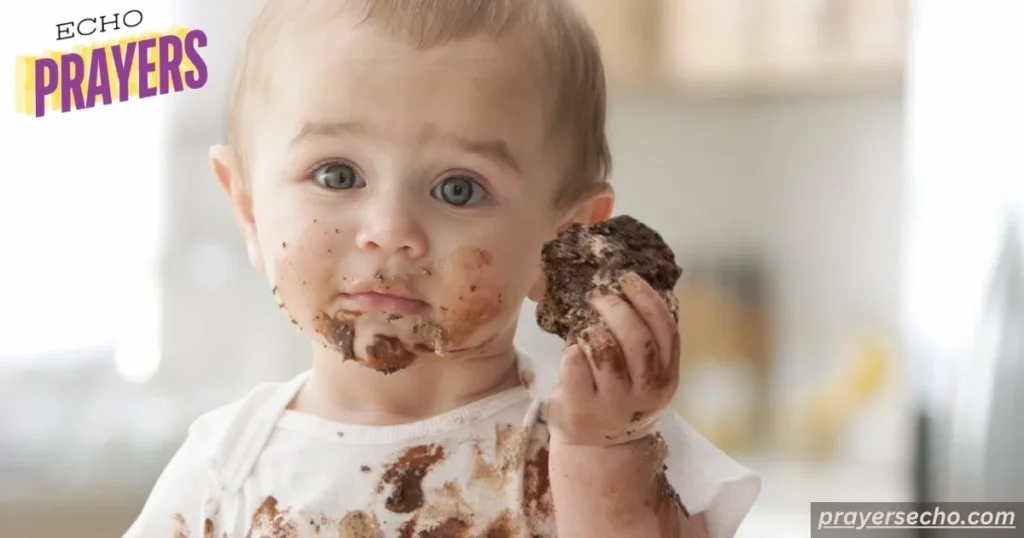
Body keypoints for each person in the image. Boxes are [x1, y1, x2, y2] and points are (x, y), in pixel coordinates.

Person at [125, 0, 761, 536]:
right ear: (249, 211)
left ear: (564, 240)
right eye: (337, 175)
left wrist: (607, 459)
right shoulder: (225, 468)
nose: (390, 233)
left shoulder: (606, 437)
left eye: (459, 189)